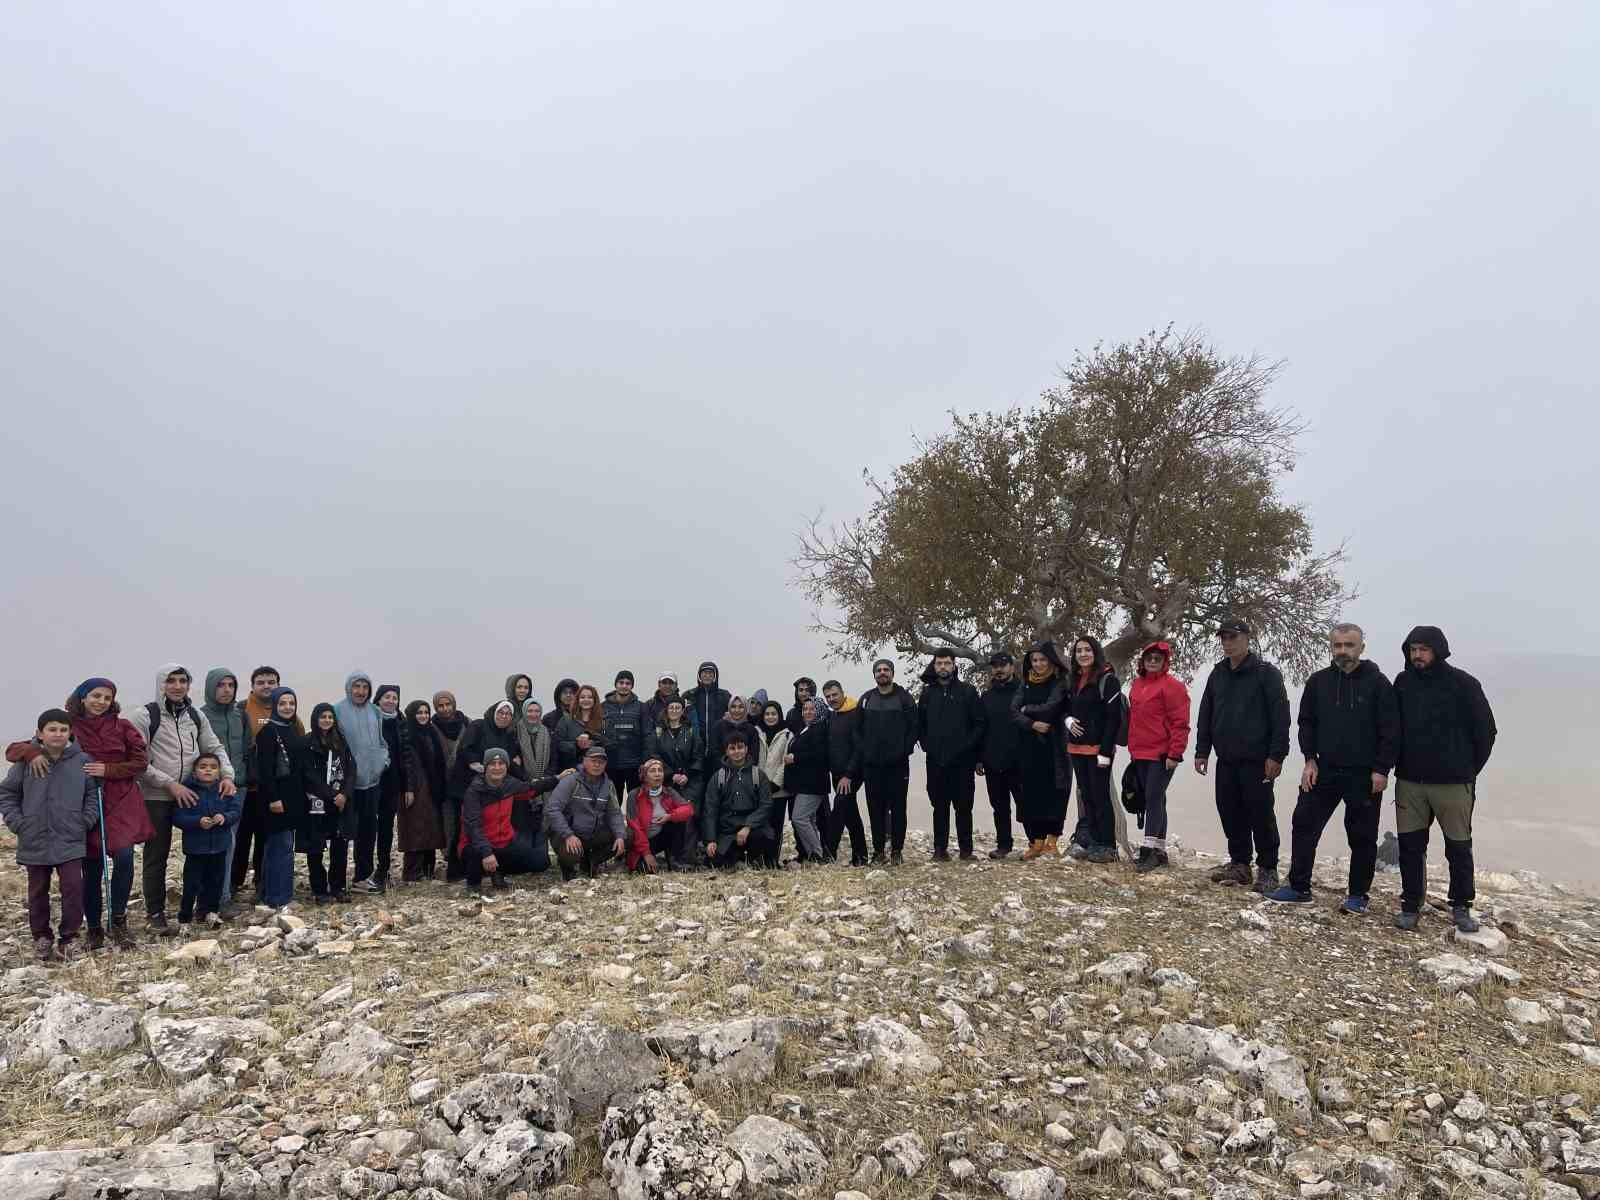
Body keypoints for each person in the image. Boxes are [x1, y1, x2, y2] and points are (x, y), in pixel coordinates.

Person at [5, 678, 152, 951]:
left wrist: (109, 770)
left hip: (119, 800)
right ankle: (93, 926)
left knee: (124, 857)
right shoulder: (68, 725)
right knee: (91, 866)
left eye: (107, 697)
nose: (101, 702)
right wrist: (31, 752)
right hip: (80, 801)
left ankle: (118, 918)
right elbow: (15, 749)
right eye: (96, 696)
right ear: (82, 697)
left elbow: (141, 761)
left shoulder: (122, 726)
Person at [1268, 623, 1399, 913]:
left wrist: (1381, 769)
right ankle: (1298, 887)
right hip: (1323, 769)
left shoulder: (1379, 684)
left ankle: (1358, 895)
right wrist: (1309, 759)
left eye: (1349, 645)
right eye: (1337, 645)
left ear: (1361, 648)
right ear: (1331, 647)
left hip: (1364, 774)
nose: (1343, 651)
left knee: (1362, 836)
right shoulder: (1318, 681)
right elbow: (1306, 723)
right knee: (1304, 823)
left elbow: (1391, 731)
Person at [1392, 625, 1497, 933]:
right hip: (1410, 782)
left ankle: (1461, 906)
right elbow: (1391, 728)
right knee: (1410, 847)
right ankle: (1411, 905)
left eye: (1423, 649)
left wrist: (1468, 770)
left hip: (1454, 783)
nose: (1417, 655)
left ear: (1438, 651)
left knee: (1458, 848)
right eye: (1413, 650)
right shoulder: (1402, 683)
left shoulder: (1464, 684)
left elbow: (1486, 732)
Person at [127, 664, 236, 935]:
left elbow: (214, 747)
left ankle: (204, 907)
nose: (177, 686)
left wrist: (227, 775)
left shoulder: (195, 716)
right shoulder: (145, 716)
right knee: (157, 855)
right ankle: (155, 913)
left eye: (183, 681)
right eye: (171, 681)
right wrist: (169, 784)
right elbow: (137, 761)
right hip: (157, 796)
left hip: (195, 794)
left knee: (206, 851)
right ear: (161, 684)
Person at [1194, 618, 1292, 894]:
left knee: (1260, 813)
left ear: (1247, 638)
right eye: (1224, 638)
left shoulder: (1266, 673)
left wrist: (1276, 756)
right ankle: (1240, 864)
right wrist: (1202, 750)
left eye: (1233, 637)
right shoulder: (1218, 673)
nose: (1228, 643)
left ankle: (1268, 868)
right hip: (1226, 759)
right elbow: (1206, 713)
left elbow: (1280, 717)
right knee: (1229, 811)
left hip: (1258, 760)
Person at [1, 709, 98, 962]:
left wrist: (85, 821)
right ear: (40, 733)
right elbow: (7, 794)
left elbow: (92, 795)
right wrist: (18, 823)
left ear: (70, 733)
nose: (58, 734)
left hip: (70, 837)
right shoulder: (25, 761)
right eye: (52, 729)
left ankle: (69, 938)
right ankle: (41, 937)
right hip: (34, 836)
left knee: (73, 888)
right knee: (37, 891)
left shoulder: (81, 760)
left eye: (63, 730)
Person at [252, 688, 328, 911]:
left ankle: (268, 893)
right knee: (281, 848)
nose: (287, 707)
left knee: (276, 847)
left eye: (291, 703)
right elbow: (265, 770)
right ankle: (280, 898)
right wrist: (273, 799)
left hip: (293, 798)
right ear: (275, 705)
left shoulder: (293, 729)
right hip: (276, 800)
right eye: (282, 703)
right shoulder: (268, 732)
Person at [459, 747, 565, 893]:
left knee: (540, 863)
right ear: (485, 767)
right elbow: (473, 828)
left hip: (505, 843)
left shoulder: (510, 784)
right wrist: (487, 853)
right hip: (477, 845)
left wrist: (557, 778)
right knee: (474, 853)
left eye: (501, 763)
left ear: (507, 766)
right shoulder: (474, 792)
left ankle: (498, 871)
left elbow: (531, 788)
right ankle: (474, 884)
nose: (497, 767)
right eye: (492, 764)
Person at [845, 659, 918, 866]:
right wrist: (864, 752)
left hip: (898, 765)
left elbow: (914, 728)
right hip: (872, 765)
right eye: (879, 670)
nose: (882, 673)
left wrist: (904, 751)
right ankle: (878, 852)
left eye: (886, 670)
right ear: (874, 675)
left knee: (898, 808)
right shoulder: (866, 699)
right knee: (875, 809)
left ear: (892, 673)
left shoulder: (904, 698)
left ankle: (897, 851)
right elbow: (856, 730)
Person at [1127, 642, 1191, 874]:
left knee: (1153, 799)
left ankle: (1148, 850)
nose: (1153, 661)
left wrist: (1175, 753)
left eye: (1157, 658)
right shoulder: (1137, 684)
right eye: (1149, 658)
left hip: (1162, 754)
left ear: (1165, 662)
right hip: (1139, 752)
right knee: (1157, 799)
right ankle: (1160, 850)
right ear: (1143, 661)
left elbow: (1180, 723)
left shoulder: (1173, 686)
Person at [918, 650, 987, 862]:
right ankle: (940, 850)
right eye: (939, 663)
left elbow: (979, 724)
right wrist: (927, 745)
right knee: (939, 807)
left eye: (947, 663)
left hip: (963, 761)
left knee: (964, 807)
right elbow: (920, 724)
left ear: (954, 666)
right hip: (935, 761)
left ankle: (966, 851)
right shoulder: (927, 693)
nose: (943, 667)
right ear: (934, 666)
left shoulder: (968, 691)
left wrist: (969, 748)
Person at [235, 666, 296, 902]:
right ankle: (234, 883)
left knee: (265, 838)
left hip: (271, 791)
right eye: (261, 682)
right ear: (252, 686)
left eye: (271, 682)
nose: (266, 686)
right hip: (245, 787)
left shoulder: (286, 710)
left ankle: (262, 884)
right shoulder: (241, 709)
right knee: (241, 838)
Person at [1009, 642, 1073, 860]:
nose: (1038, 664)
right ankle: (1036, 843)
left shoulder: (1060, 683)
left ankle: (1052, 843)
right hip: (1029, 748)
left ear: (1051, 661)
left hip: (1055, 749)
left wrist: (1027, 709)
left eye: (1043, 660)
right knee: (1032, 795)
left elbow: (1051, 709)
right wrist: (1032, 724)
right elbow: (1013, 711)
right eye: (1034, 660)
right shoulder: (1025, 684)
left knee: (1056, 794)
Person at [1064, 636, 1124, 864]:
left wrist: (1105, 753)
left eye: (1087, 650)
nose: (1083, 654)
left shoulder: (1108, 680)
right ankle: (1094, 842)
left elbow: (1113, 719)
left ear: (1095, 652)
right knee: (1086, 796)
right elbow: (1064, 707)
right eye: (1078, 650)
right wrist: (1067, 720)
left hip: (1098, 750)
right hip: (1076, 749)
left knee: (1101, 798)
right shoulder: (1073, 679)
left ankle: (1108, 846)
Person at [169, 751, 240, 930]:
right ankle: (185, 918)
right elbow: (178, 817)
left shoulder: (224, 789)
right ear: (194, 772)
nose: (208, 770)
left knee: (216, 882)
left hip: (220, 846)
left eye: (213, 767)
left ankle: (210, 913)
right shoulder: (187, 791)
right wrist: (197, 821)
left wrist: (224, 817)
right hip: (195, 848)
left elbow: (235, 811)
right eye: (203, 767)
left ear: (219, 771)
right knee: (192, 884)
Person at [335, 671, 389, 897]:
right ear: (349, 688)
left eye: (365, 687)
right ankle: (337, 882)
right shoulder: (337, 710)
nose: (360, 691)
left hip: (372, 782)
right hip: (348, 784)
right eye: (356, 686)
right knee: (343, 832)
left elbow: (381, 741)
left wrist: (383, 760)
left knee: (368, 831)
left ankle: (362, 878)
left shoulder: (375, 711)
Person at [200, 668, 249, 914]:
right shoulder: (200, 716)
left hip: (237, 789)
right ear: (211, 687)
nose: (227, 690)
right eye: (221, 685)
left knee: (229, 843)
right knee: (210, 845)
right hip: (210, 790)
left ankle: (223, 896)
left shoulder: (240, 715)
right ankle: (212, 899)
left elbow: (247, 750)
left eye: (231, 685)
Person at [357, 684, 412, 893]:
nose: (391, 701)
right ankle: (363, 873)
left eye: (394, 698)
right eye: (386, 697)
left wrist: (408, 787)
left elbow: (406, 756)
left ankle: (383, 870)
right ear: (378, 700)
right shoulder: (369, 719)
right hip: (371, 782)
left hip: (392, 783)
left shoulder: (401, 722)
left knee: (386, 828)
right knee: (367, 827)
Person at [546, 746, 626, 880]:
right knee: (570, 854)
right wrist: (568, 835)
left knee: (627, 835)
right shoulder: (571, 781)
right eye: (593, 760)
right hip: (568, 834)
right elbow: (553, 809)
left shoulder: (608, 785)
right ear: (584, 761)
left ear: (605, 764)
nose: (597, 765)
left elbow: (614, 813)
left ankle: (591, 862)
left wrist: (620, 836)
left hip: (593, 833)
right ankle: (567, 866)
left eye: (601, 762)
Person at [305, 702, 356, 903]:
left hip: (341, 802)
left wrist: (344, 794)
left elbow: (351, 771)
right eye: (322, 717)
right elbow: (308, 775)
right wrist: (332, 795)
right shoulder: (308, 742)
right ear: (315, 719)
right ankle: (319, 889)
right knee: (316, 847)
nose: (326, 720)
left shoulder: (341, 741)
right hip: (317, 801)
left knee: (340, 845)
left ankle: (338, 887)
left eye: (330, 717)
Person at [703, 735, 778, 869]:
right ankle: (737, 860)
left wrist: (748, 826)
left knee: (761, 839)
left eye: (740, 747)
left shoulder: (758, 775)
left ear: (746, 749)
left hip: (754, 829)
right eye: (732, 748)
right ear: (726, 751)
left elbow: (766, 805)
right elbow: (710, 810)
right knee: (714, 861)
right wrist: (711, 840)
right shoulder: (718, 777)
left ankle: (754, 860)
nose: (737, 751)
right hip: (728, 831)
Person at [977, 653, 1024, 860]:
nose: (999, 669)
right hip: (993, 761)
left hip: (1020, 762)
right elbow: (981, 729)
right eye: (995, 666)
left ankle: (1035, 843)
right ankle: (1004, 846)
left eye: (1003, 665)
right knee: (1000, 807)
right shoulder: (986, 697)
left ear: (1012, 667)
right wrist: (979, 758)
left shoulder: (1024, 692)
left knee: (1026, 805)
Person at [399, 699, 448, 882]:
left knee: (431, 829)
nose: (423, 716)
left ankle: (427, 870)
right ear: (412, 714)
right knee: (415, 830)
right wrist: (409, 788)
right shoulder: (407, 733)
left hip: (431, 788)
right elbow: (405, 764)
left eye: (426, 712)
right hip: (414, 788)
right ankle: (411, 872)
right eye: (419, 713)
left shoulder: (431, 732)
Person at [821, 680, 867, 865]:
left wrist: (849, 774)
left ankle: (828, 853)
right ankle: (860, 857)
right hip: (836, 773)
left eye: (834, 695)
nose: (832, 699)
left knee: (839, 808)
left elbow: (859, 747)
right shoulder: (832, 716)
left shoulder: (855, 713)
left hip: (852, 773)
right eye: (828, 697)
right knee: (850, 814)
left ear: (842, 693)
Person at [624, 759, 696, 873]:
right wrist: (646, 853)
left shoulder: (669, 791)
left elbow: (688, 809)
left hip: (661, 836)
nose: (657, 774)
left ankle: (674, 860)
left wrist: (670, 816)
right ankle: (634, 856)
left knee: (680, 820)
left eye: (660, 770)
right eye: (652, 771)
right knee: (644, 870)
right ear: (644, 776)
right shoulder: (635, 795)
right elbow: (635, 827)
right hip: (643, 841)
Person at [785, 697, 831, 863]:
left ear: (819, 711)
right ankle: (814, 854)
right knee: (809, 819)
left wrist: (795, 757)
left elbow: (820, 755)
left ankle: (817, 854)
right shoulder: (808, 728)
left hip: (814, 783)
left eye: (812, 709)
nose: (807, 712)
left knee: (799, 818)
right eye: (805, 709)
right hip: (804, 783)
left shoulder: (820, 729)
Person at [431, 689, 469, 878]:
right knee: (448, 822)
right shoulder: (432, 727)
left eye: (448, 704)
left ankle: (465, 857)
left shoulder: (466, 723)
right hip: (443, 784)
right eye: (441, 706)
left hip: (464, 783)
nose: (445, 709)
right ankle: (450, 858)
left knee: (466, 821)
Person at [647, 696, 705, 807]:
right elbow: (654, 756)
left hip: (689, 783)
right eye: (671, 707)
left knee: (686, 813)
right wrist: (671, 775)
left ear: (682, 711)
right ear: (667, 710)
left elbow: (698, 756)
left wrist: (687, 775)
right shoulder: (658, 733)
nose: (674, 710)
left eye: (677, 708)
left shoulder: (691, 732)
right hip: (665, 782)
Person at [756, 701, 793, 867]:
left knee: (776, 826)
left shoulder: (787, 734)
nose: (770, 717)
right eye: (767, 714)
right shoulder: (757, 732)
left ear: (779, 715)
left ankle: (772, 860)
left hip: (779, 790)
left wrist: (776, 783)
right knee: (761, 824)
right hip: (759, 788)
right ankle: (760, 859)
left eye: (773, 714)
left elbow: (785, 763)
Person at [603, 671, 647, 801]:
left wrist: (644, 760)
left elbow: (647, 735)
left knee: (636, 802)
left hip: (634, 764)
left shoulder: (641, 707)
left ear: (632, 686)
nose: (624, 686)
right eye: (621, 682)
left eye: (628, 683)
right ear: (615, 684)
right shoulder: (603, 707)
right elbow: (599, 733)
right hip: (611, 764)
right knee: (613, 802)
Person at [554, 686, 605, 772]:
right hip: (571, 770)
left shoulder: (603, 720)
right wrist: (577, 745)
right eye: (582, 697)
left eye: (590, 697)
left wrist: (593, 743)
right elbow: (558, 744)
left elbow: (609, 742)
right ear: (577, 700)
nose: (586, 700)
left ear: (595, 700)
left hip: (597, 770)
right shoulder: (566, 720)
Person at [707, 695, 761, 772]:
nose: (737, 710)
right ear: (729, 708)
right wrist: (726, 768)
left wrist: (742, 769)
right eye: (733, 706)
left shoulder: (752, 730)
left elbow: (754, 756)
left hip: (745, 773)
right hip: (722, 772)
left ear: (746, 708)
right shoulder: (718, 727)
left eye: (741, 707)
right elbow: (713, 752)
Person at [684, 662, 730, 744]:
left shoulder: (725, 695)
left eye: (710, 673)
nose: (707, 676)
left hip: (719, 742)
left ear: (715, 676)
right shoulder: (689, 695)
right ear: (699, 675)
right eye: (705, 673)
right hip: (694, 743)